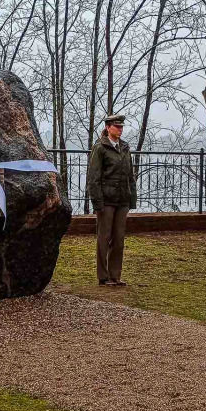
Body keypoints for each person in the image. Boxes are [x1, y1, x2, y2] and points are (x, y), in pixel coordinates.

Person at [86, 114, 137, 286]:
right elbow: (94, 177)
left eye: (122, 127)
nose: (120, 130)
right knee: (104, 237)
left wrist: (132, 198)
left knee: (119, 239)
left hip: (122, 200)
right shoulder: (100, 148)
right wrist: (97, 202)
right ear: (108, 127)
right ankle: (103, 276)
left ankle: (115, 275)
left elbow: (130, 175)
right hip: (106, 200)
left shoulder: (124, 147)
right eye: (117, 126)